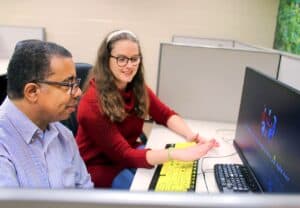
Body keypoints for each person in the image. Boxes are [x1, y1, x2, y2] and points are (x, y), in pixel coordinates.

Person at [76, 30, 219, 189]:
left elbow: (165, 115)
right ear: (106, 60)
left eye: (134, 59)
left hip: (128, 150)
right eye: (121, 59)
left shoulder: (135, 88)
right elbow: (125, 155)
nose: (129, 65)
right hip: (98, 165)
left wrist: (192, 135)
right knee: (145, 192)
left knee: (165, 175)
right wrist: (174, 154)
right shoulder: (91, 104)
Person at [0, 40, 93, 188]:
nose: (78, 92)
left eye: (76, 83)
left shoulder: (63, 135)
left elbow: (85, 191)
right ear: (32, 92)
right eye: (68, 84)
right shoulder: (4, 144)